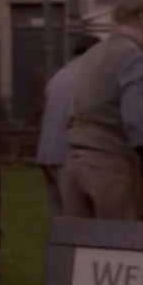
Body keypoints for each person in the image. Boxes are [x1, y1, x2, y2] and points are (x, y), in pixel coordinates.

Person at [58, 0, 143, 221]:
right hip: (109, 165)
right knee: (119, 239)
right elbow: (134, 119)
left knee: (80, 241)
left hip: (74, 162)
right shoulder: (133, 55)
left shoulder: (95, 53)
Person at [35, 37, 97, 218]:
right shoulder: (86, 76)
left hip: (47, 153)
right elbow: (75, 117)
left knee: (58, 218)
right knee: (76, 220)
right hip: (68, 154)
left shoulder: (60, 75)